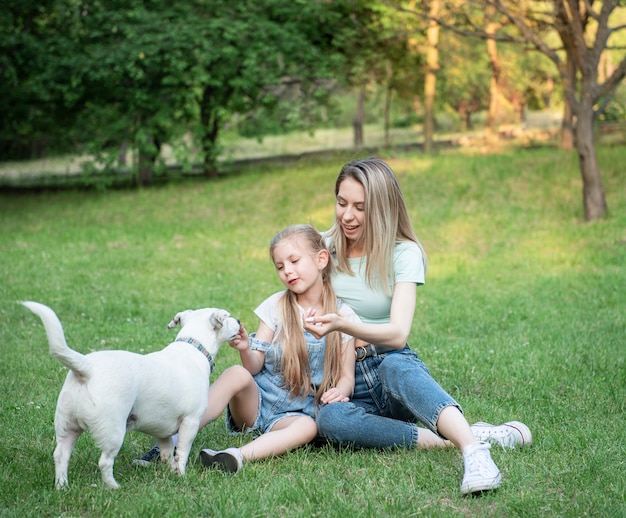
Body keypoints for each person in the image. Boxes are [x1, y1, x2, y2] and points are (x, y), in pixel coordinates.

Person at [302, 157, 532, 495]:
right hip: (342, 374)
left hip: (387, 362)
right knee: (329, 421)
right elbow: (291, 297)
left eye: (360, 207)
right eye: (341, 203)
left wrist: (344, 325)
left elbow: (398, 333)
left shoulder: (403, 252)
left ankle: (473, 451)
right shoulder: (322, 249)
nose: (347, 215)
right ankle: (454, 437)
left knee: (398, 367)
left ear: (381, 208)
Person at [137, 224, 358, 472]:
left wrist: (339, 391)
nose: (288, 271)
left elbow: (347, 376)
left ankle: (234, 456)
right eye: (280, 266)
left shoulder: (342, 315)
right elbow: (255, 366)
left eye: (294, 261)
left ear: (321, 259)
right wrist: (245, 348)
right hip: (258, 402)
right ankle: (170, 443)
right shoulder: (275, 306)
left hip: (297, 413)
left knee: (309, 427)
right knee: (236, 373)